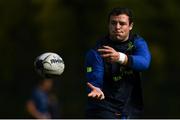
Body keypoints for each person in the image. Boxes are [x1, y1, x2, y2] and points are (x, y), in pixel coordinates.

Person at [85, 7, 151, 119]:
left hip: (131, 110)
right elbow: (95, 78)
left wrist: (120, 57)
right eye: (113, 23)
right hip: (104, 110)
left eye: (122, 23)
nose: (117, 27)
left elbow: (144, 62)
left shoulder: (137, 42)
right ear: (108, 25)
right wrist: (96, 88)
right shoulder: (98, 50)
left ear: (130, 26)